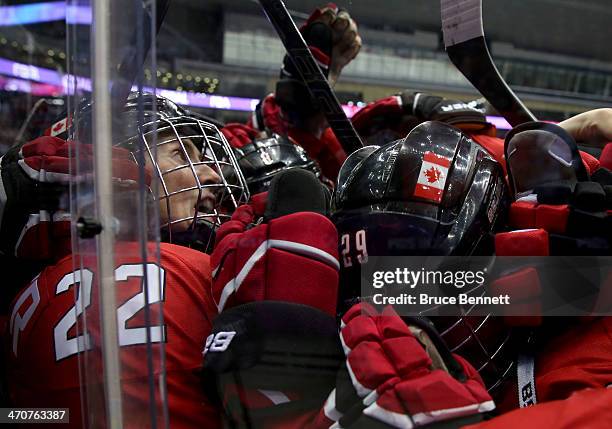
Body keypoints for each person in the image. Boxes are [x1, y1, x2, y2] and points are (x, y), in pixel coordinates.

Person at [2, 92, 250, 428]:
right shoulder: (197, 273)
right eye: (181, 153)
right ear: (119, 164)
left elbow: (19, 416)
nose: (209, 174)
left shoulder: (25, 293)